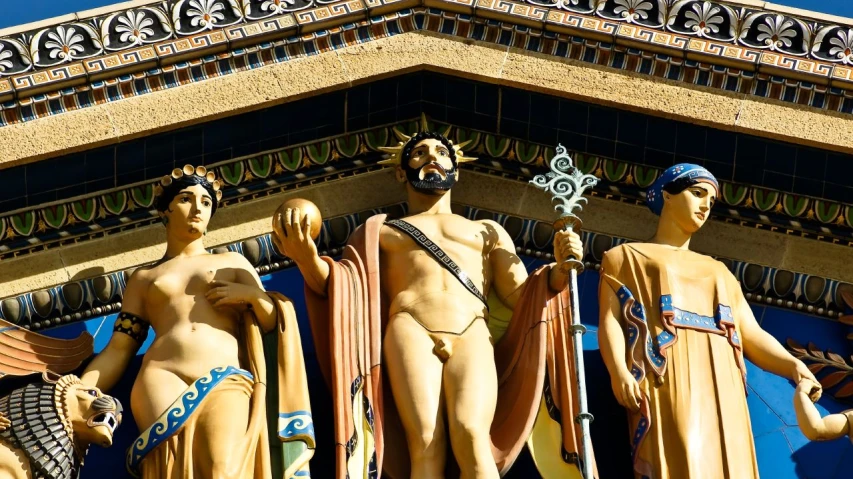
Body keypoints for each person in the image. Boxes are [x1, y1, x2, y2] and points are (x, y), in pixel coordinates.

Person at [274, 125, 595, 479]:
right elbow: (344, 290)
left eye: (442, 153)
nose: (433, 159)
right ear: (401, 171)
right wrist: (306, 257)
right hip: (410, 326)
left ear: (455, 170)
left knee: (471, 433)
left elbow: (525, 298)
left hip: (472, 329)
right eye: (420, 153)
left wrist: (559, 273)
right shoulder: (380, 232)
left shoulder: (486, 231)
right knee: (425, 441)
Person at [80, 165, 314, 479]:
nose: (197, 208)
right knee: (171, 470)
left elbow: (272, 321)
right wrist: (77, 389)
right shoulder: (144, 278)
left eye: (205, 202)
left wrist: (252, 296)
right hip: (160, 375)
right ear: (165, 211)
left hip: (223, 375)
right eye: (186, 199)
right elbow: (119, 349)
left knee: (223, 469)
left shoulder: (231, 262)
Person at [597, 163, 821, 478]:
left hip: (722, 378)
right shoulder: (625, 257)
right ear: (667, 195)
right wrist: (618, 370)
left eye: (711, 201)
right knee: (680, 457)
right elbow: (611, 321)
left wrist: (793, 366)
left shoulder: (719, 272)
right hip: (668, 373)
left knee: (727, 462)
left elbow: (751, 334)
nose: (705, 206)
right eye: (698, 193)